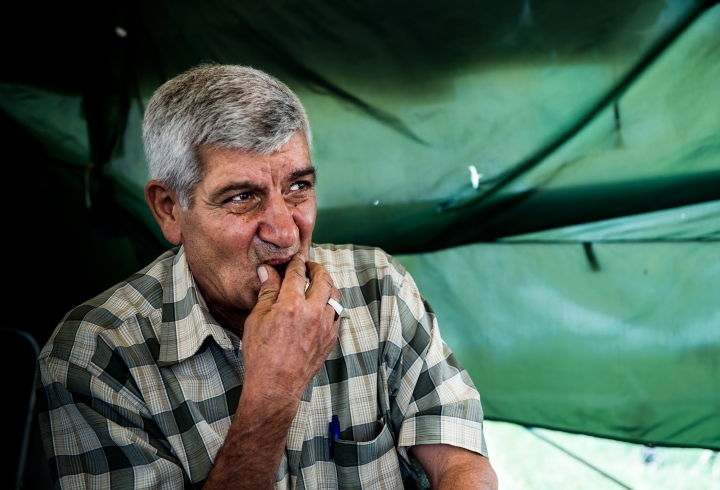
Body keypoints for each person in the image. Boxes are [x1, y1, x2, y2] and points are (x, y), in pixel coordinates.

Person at [36, 64, 498, 489]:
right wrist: (273, 388)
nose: (284, 232)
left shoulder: (377, 285)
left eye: (299, 186)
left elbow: (463, 465)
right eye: (242, 196)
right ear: (170, 209)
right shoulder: (94, 356)